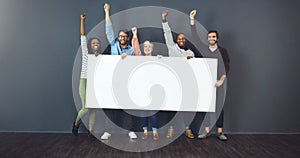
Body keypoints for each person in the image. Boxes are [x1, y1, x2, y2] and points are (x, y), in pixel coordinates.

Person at [190, 9, 230, 141]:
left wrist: (222, 80)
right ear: (207, 39)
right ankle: (206, 131)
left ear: (217, 38)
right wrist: (192, 21)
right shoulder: (204, 48)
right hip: (206, 83)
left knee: (219, 107)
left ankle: (219, 132)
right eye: (209, 37)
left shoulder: (223, 51)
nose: (211, 38)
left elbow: (227, 65)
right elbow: (195, 37)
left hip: (219, 82)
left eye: (214, 37)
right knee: (206, 106)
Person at [102, 3, 137, 139]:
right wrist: (107, 11)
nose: (122, 38)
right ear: (118, 37)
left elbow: (136, 62)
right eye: (120, 36)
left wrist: (128, 58)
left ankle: (130, 130)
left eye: (124, 37)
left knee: (127, 107)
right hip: (112, 79)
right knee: (111, 106)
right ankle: (108, 131)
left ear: (127, 38)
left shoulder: (131, 50)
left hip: (126, 80)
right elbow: (108, 29)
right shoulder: (113, 45)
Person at [161, 10, 196, 139]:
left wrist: (191, 62)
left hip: (186, 83)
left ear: (185, 41)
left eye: (183, 39)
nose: (181, 40)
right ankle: (171, 129)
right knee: (171, 106)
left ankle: (187, 128)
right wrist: (164, 20)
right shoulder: (172, 47)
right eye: (179, 38)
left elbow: (195, 69)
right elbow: (167, 34)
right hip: (172, 82)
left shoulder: (191, 53)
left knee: (186, 107)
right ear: (176, 40)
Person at [72, 13, 100, 138]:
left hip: (94, 83)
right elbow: (83, 36)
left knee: (93, 108)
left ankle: (91, 131)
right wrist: (82, 21)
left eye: (97, 43)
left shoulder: (101, 58)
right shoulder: (85, 54)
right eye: (93, 43)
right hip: (84, 80)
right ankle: (76, 123)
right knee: (86, 107)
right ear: (90, 45)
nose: (95, 45)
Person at [130, 27, 160, 140]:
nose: (147, 48)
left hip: (153, 90)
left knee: (153, 112)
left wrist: (161, 59)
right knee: (143, 112)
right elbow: (136, 47)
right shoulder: (140, 58)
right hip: (142, 91)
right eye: (145, 46)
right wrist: (134, 34)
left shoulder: (157, 58)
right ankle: (145, 131)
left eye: (149, 46)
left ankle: (155, 132)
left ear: (152, 48)